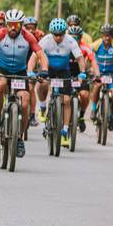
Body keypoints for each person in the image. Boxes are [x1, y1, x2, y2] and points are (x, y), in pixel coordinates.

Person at [0, 9, 48, 158]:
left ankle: (19, 137)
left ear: (21, 25)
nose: (13, 28)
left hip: (20, 72)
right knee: (0, 85)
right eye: (10, 24)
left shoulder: (28, 36)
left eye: (16, 25)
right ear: (6, 24)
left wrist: (44, 70)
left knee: (25, 100)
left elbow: (41, 55)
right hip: (2, 68)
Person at [31, 18, 87, 147]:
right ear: (51, 33)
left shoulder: (70, 40)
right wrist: (31, 72)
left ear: (64, 32)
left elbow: (80, 58)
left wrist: (82, 73)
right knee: (42, 83)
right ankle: (43, 106)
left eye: (60, 34)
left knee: (66, 100)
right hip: (48, 68)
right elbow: (34, 57)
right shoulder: (45, 40)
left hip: (63, 71)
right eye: (55, 35)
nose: (58, 37)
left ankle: (65, 131)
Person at [68, 25, 97, 132]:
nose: (74, 40)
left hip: (81, 73)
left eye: (77, 37)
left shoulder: (85, 47)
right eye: (72, 37)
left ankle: (81, 116)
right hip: (67, 73)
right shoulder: (64, 46)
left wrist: (97, 74)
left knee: (84, 95)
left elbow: (93, 61)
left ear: (81, 38)